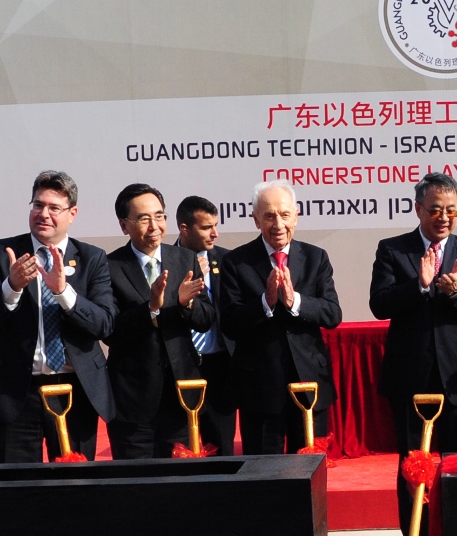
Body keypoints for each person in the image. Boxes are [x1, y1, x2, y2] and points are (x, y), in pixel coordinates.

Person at [369, 172, 457, 536]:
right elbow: (379, 304)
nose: (444, 217)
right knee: (412, 463)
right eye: (436, 209)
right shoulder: (393, 250)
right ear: (419, 209)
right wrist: (419, 286)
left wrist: (456, 292)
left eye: (451, 210)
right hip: (411, 376)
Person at [0, 171, 115, 463]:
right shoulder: (3, 252)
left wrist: (63, 292)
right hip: (16, 390)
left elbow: (104, 324)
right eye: (38, 205)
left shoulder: (92, 258)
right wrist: (11, 286)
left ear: (72, 214)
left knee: (74, 482)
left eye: (54, 208)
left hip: (75, 390)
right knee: (15, 482)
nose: (44, 214)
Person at [221, 181, 342, 454]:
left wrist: (294, 301)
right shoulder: (236, 262)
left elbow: (332, 313)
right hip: (260, 389)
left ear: (296, 216)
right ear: (256, 220)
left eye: (285, 215)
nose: (278, 224)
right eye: (269, 216)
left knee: (310, 466)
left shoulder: (315, 257)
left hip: (309, 383)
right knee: (264, 471)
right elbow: (230, 323)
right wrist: (266, 302)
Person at [104, 184, 214, 458]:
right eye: (143, 219)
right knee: (136, 478)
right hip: (132, 400)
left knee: (182, 478)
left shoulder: (185, 258)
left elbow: (206, 319)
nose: (154, 226)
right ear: (124, 225)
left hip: (181, 395)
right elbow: (110, 330)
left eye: (159, 216)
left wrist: (186, 304)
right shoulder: (109, 266)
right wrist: (151, 308)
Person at [174, 196, 236, 456]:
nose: (215, 234)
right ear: (185, 229)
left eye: (216, 225)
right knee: (180, 445)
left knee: (222, 446)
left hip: (219, 365)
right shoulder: (167, 261)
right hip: (180, 365)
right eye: (206, 227)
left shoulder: (227, 261)